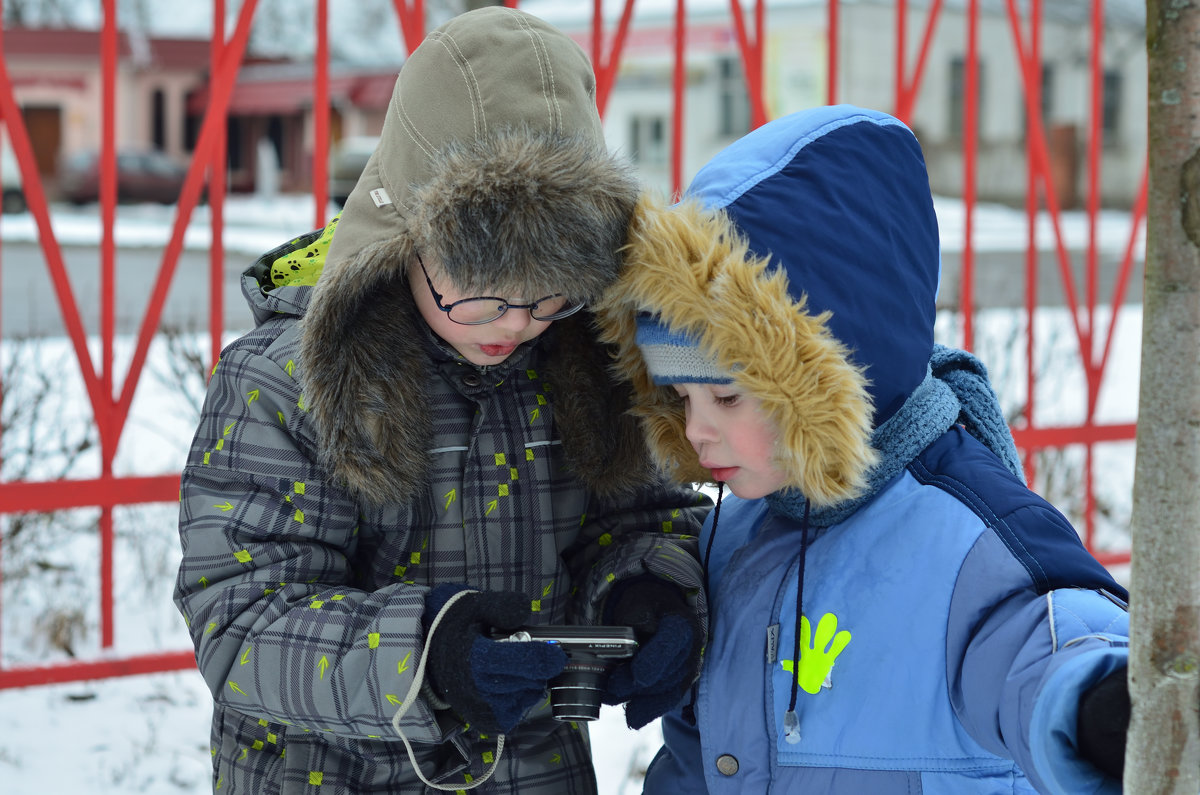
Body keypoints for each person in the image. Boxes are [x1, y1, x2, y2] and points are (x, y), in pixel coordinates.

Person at [173, 8, 710, 794]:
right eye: (484, 288)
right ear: (404, 233)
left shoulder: (582, 357)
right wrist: (426, 655)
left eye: (550, 293)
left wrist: (649, 589)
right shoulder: (284, 381)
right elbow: (242, 620)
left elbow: (640, 518)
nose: (519, 321)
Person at [594, 104, 1132, 794]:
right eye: (682, 398)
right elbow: (702, 755)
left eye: (726, 397)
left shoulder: (965, 535)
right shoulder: (735, 533)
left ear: (830, 378)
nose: (697, 429)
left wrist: (1098, 703)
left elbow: (1037, 643)